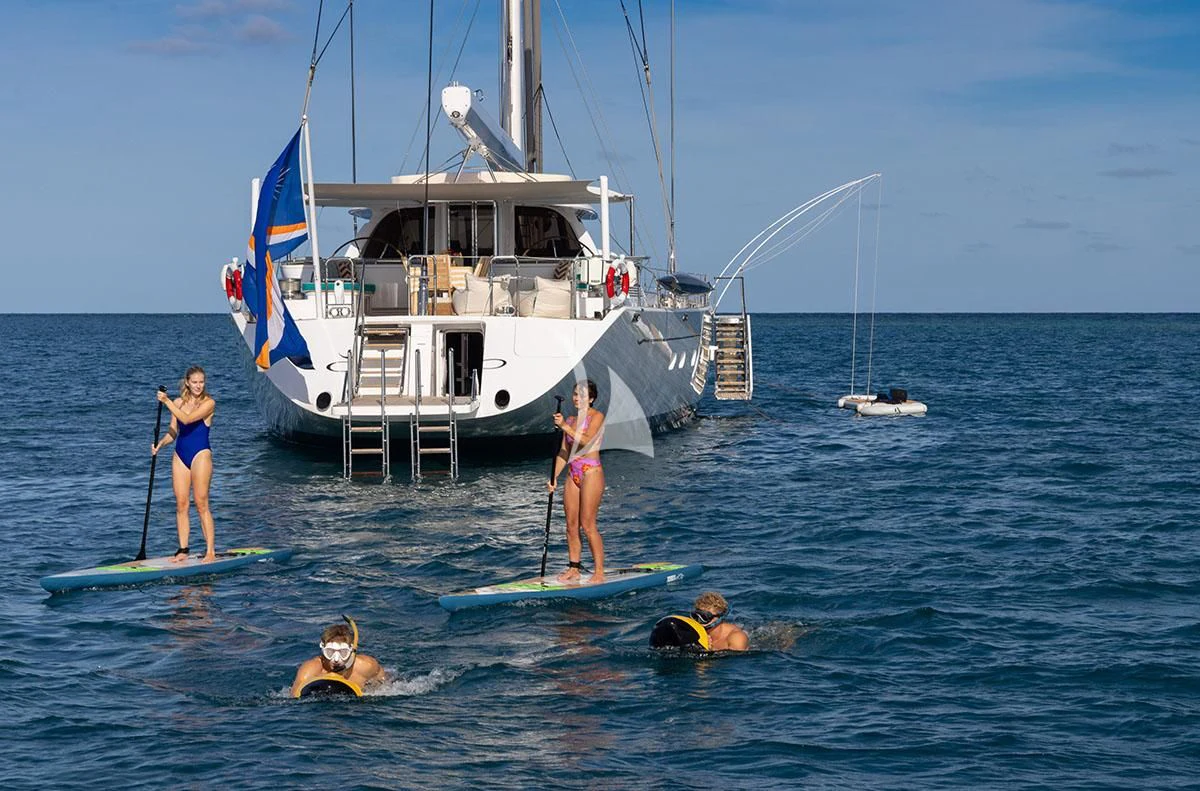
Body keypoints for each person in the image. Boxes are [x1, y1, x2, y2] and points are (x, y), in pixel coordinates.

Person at [151, 366, 217, 563]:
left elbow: (187, 420)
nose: (198, 386)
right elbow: (174, 431)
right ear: (187, 382)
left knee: (201, 502)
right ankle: (183, 549)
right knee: (181, 503)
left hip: (200, 455)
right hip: (180, 454)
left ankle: (210, 551)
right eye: (195, 382)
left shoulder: (209, 403)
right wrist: (160, 444)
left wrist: (166, 402)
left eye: (201, 382)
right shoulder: (178, 402)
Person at [547, 379, 606, 584]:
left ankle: (599, 572)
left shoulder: (597, 417)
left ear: (591, 399)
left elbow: (587, 439)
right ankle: (574, 568)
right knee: (571, 525)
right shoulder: (571, 420)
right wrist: (553, 477)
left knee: (587, 524)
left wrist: (563, 425)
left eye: (582, 395)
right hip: (573, 473)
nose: (576, 398)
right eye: (575, 394)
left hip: (591, 472)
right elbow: (564, 452)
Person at [291, 618, 386, 697]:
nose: (336, 659)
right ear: (323, 649)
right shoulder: (310, 670)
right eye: (330, 652)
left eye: (343, 653)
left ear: (351, 650)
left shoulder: (367, 666)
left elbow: (385, 688)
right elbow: (295, 697)